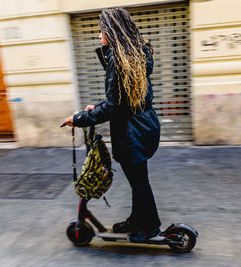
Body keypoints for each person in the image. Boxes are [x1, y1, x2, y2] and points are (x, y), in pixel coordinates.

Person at [61, 7, 161, 242]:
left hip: (132, 131)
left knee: (139, 182)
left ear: (112, 31)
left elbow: (115, 106)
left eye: (101, 31)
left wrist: (78, 119)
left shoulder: (119, 60)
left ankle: (150, 226)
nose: (99, 36)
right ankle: (138, 219)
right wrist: (94, 108)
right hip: (142, 124)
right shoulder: (136, 55)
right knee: (138, 181)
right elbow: (122, 99)